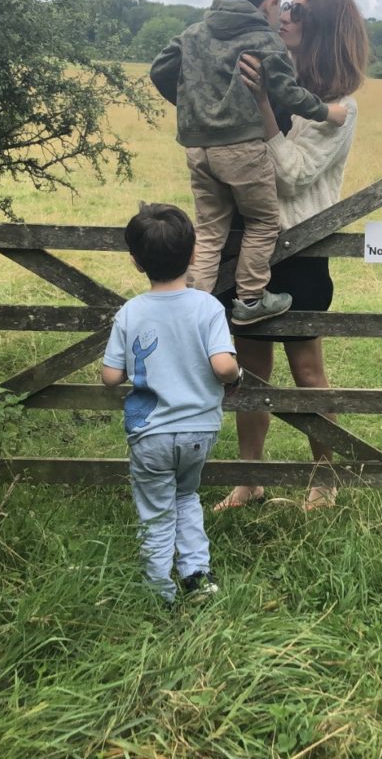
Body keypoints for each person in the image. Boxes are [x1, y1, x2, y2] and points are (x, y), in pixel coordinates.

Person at [213, 0, 367, 513]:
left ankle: (323, 477)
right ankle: (250, 478)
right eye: (286, 5)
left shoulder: (337, 108)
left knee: (307, 371)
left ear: (320, 26)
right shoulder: (274, 76)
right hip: (249, 238)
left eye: (297, 9)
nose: (285, 15)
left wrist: (260, 104)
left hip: (299, 245)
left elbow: (295, 175)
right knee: (249, 369)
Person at [150, 0, 347, 326]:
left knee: (209, 229)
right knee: (262, 222)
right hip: (241, 150)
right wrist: (328, 112)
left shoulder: (194, 32)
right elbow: (288, 93)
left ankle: (193, 305)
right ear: (270, 3)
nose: (282, 16)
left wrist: (194, 107)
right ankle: (252, 299)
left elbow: (160, 70)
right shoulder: (262, 39)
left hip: (197, 148)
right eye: (282, 6)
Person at [101, 203, 242, 604]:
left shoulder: (131, 312)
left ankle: (159, 587)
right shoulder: (208, 307)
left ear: (135, 262)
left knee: (156, 509)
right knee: (186, 496)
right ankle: (197, 576)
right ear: (195, 252)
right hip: (199, 430)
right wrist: (235, 373)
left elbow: (111, 377)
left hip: (150, 434)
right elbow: (222, 365)